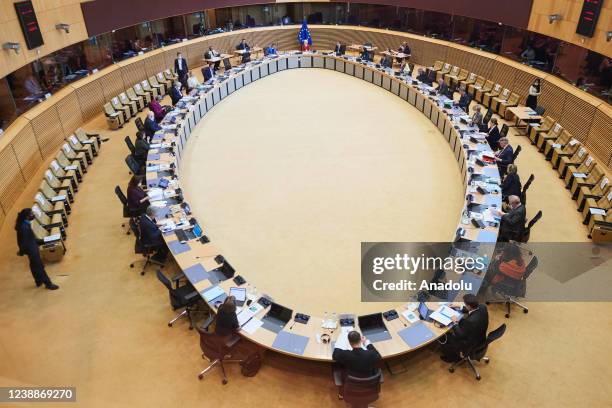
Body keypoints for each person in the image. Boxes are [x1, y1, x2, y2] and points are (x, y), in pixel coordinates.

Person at [15, 208, 59, 290]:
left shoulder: (25, 223)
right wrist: (21, 252)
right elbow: (24, 242)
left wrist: (43, 241)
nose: (33, 215)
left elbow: (30, 238)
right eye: (31, 214)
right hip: (31, 250)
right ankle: (48, 284)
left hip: (32, 247)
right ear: (27, 216)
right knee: (39, 266)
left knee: (33, 265)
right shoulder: (24, 227)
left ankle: (38, 281)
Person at [439, 294, 488, 363]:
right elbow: (472, 311)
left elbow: (460, 336)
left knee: (444, 337)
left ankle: (452, 358)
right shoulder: (483, 307)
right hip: (480, 338)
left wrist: (455, 322)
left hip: (469, 343)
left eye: (465, 304)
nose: (464, 304)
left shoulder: (471, 321)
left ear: (469, 306)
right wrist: (460, 306)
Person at [332, 331, 381, 398]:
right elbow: (378, 356)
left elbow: (335, 355)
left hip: (351, 386)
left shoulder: (346, 355)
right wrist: (367, 343)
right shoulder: (371, 354)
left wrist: (340, 344)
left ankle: (341, 394)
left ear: (349, 342)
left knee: (337, 366)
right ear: (360, 340)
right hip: (369, 386)